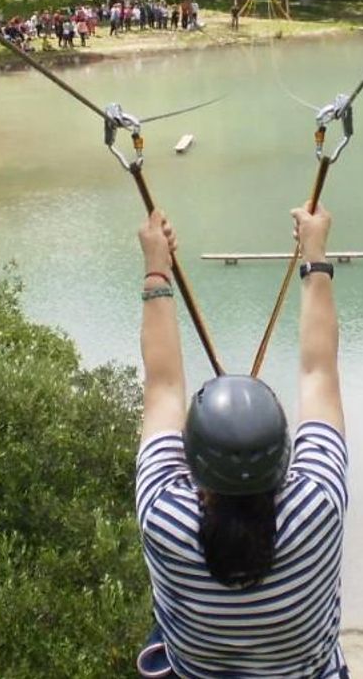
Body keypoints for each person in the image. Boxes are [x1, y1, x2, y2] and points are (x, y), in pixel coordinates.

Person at [134, 205, 349, 678]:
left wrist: (157, 268)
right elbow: (319, 372)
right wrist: (314, 254)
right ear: (284, 458)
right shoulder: (319, 506)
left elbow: (163, 386)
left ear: (192, 465)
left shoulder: (164, 520)